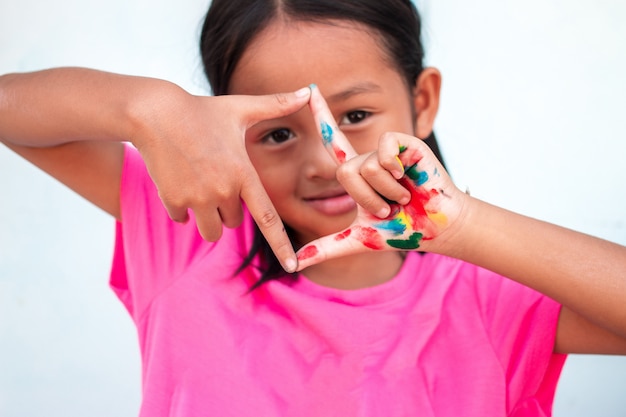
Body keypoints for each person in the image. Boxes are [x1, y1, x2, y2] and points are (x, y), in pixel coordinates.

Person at [1, 0, 625, 416]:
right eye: (276, 132)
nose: (328, 163)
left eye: (355, 116)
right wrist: (145, 107)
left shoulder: (493, 291)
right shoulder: (195, 232)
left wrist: (465, 226)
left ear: (423, 100)